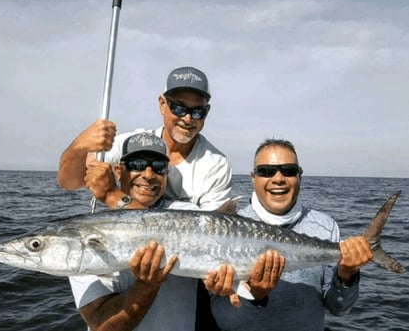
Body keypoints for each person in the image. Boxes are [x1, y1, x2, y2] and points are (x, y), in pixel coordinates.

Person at [208, 138, 373, 331]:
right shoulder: (217, 230)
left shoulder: (325, 226)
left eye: (288, 170)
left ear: (299, 176)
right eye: (266, 171)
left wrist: (347, 276)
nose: (278, 178)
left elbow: (339, 309)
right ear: (253, 178)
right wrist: (255, 296)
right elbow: (224, 321)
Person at [69, 132, 199, 331]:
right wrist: (146, 285)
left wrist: (114, 195)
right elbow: (102, 326)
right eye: (137, 164)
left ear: (166, 174)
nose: (148, 175)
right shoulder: (89, 232)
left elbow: (157, 224)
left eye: (158, 167)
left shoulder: (189, 215)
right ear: (119, 172)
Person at [57, 66, 232, 211]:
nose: (187, 118)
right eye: (178, 108)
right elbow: (69, 182)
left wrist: (112, 195)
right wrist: (79, 146)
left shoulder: (216, 164)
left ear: (206, 112)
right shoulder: (130, 145)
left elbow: (209, 232)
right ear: (162, 105)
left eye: (197, 111)